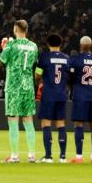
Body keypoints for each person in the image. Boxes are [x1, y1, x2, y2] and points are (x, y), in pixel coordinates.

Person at [0, 20, 38, 163]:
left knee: (13, 120)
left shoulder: (11, 45)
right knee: (28, 120)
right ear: (26, 30)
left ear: (15, 29)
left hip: (14, 86)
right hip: (28, 86)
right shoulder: (34, 46)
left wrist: (4, 48)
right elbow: (34, 65)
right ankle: (32, 155)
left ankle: (14, 155)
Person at [68, 35, 92, 163]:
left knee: (79, 124)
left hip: (80, 94)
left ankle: (79, 157)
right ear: (91, 46)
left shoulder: (75, 60)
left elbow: (70, 78)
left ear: (81, 46)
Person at [36, 33, 69, 163]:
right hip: (61, 94)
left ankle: (48, 156)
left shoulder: (44, 57)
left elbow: (37, 75)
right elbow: (69, 76)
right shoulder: (66, 58)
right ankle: (62, 156)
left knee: (46, 123)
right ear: (60, 44)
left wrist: (41, 79)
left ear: (48, 44)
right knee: (61, 123)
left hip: (48, 94)